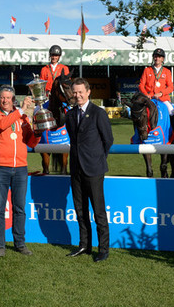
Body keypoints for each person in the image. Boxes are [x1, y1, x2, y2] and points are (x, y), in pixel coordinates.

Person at [0, 85, 40, 258]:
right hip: (0, 168)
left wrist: (39, 131)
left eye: (8, 98)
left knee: (19, 208)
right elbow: (3, 125)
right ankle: (0, 245)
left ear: (13, 99)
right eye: (2, 97)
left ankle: (20, 243)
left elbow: (31, 143)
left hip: (20, 168)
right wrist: (22, 111)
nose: (5, 100)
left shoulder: (22, 118)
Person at [66, 78, 114, 263]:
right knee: (80, 210)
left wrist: (97, 159)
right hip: (76, 169)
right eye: (74, 92)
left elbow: (108, 140)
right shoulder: (70, 115)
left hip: (94, 169)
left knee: (99, 212)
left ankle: (103, 249)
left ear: (88, 92)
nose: (77, 95)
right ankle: (84, 245)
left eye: (80, 92)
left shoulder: (98, 113)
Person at [139, 48, 174, 124]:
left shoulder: (167, 71)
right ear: (153, 58)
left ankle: (172, 132)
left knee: (171, 111)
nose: (157, 58)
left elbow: (171, 87)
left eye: (159, 57)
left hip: (163, 98)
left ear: (162, 59)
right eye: (155, 56)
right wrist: (146, 94)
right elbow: (141, 85)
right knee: (138, 113)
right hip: (149, 98)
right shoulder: (147, 70)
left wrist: (161, 93)